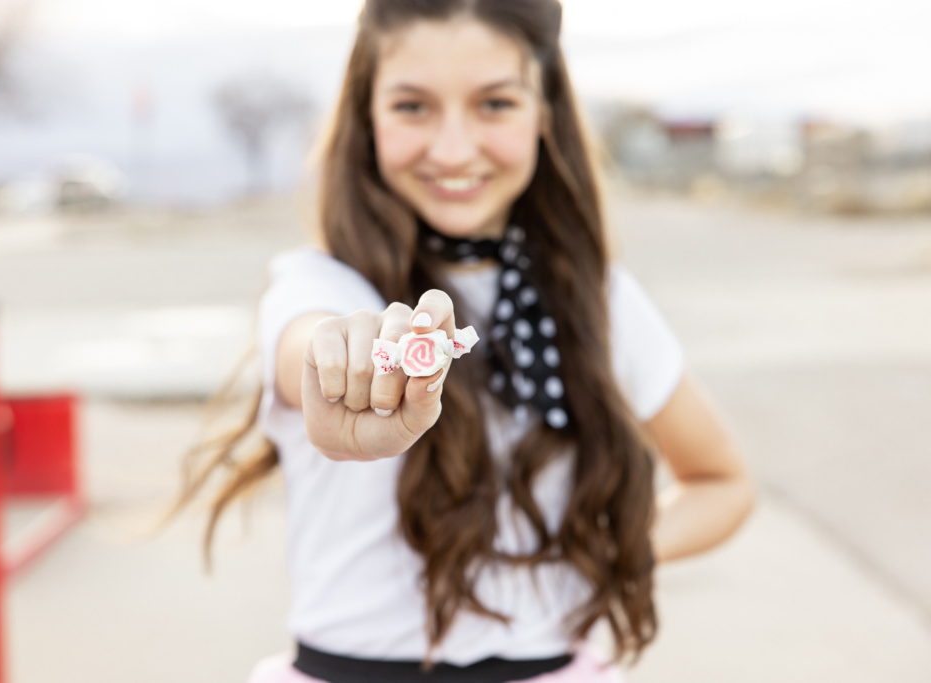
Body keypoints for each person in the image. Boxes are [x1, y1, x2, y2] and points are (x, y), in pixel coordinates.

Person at [178, 1, 755, 681]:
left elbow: (723, 482)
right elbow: (313, 341)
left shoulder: (596, 298)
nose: (452, 149)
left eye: (495, 104)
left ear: (545, 112)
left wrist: (599, 553)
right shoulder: (318, 286)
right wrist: (347, 373)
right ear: (367, 117)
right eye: (412, 107)